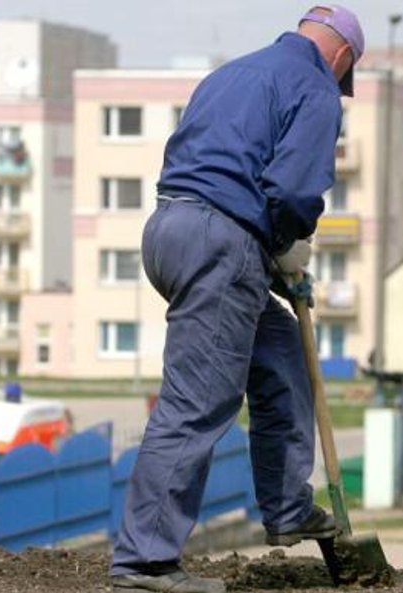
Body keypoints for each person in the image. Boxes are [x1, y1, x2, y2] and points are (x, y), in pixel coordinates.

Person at [110, 5, 364, 593]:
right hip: (220, 241)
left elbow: (215, 168)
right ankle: (144, 563)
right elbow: (293, 189)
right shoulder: (316, 88)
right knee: (197, 402)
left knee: (282, 358)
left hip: (172, 230)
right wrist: (290, 243)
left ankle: (286, 505)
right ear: (342, 58)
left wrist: (266, 258)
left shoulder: (232, 74)